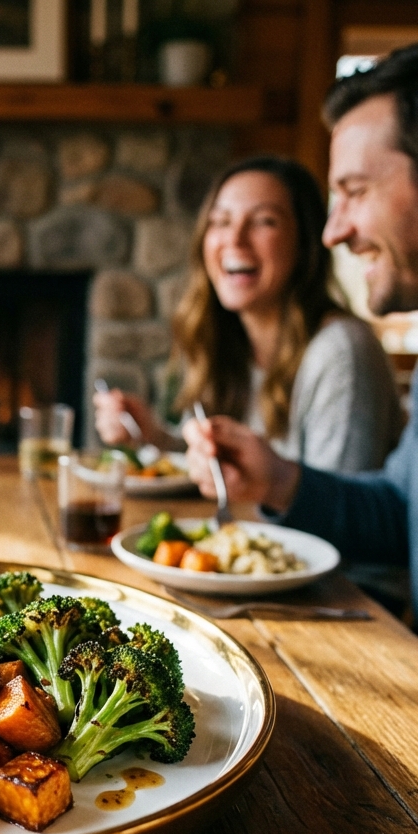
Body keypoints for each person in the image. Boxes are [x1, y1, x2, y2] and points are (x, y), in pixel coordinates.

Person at [183, 45, 418, 612]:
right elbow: (397, 516)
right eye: (219, 222)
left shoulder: (341, 348)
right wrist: (279, 480)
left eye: (355, 191)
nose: (336, 232)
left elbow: (357, 564)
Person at [95, 156, 402, 472]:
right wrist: (154, 437)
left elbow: (337, 498)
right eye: (221, 221)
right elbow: (216, 469)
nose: (234, 239)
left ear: (305, 244)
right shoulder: (224, 338)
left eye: (264, 221)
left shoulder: (341, 351)